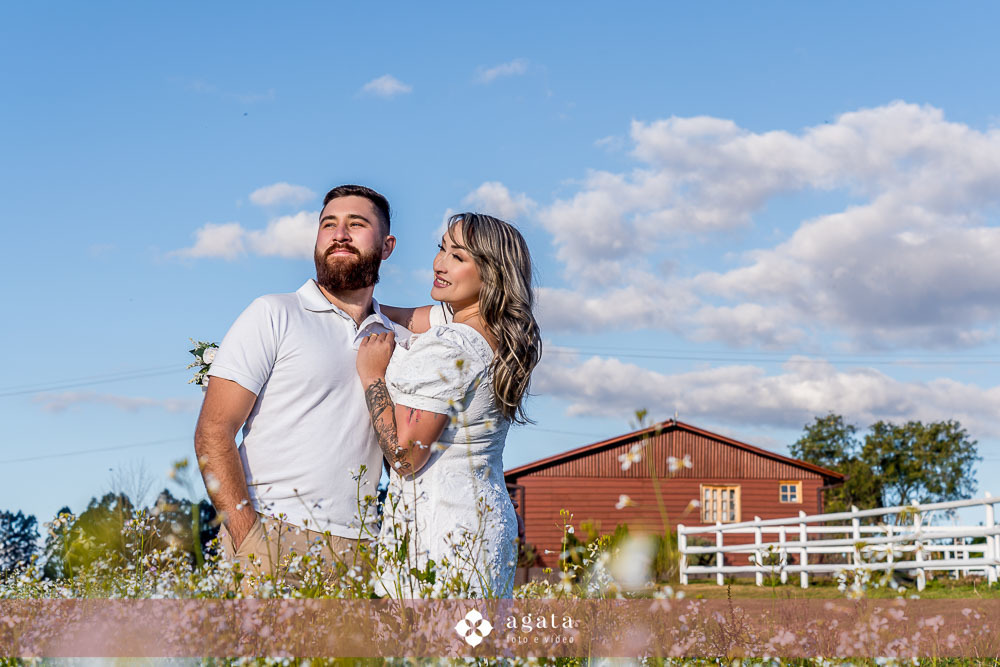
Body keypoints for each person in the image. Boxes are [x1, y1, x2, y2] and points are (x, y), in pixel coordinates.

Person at [194, 184, 402, 587]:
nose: (339, 234)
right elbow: (213, 431)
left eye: (356, 224)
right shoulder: (273, 313)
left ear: (387, 245)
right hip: (272, 534)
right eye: (328, 225)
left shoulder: (395, 338)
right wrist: (248, 539)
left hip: (363, 549)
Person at [356, 212, 542, 598]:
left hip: (442, 535)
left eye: (458, 257)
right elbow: (408, 316)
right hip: (483, 523)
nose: (440, 264)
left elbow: (406, 456)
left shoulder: (450, 346)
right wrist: (358, 303)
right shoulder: (491, 330)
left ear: (491, 273)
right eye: (441, 248)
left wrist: (373, 375)